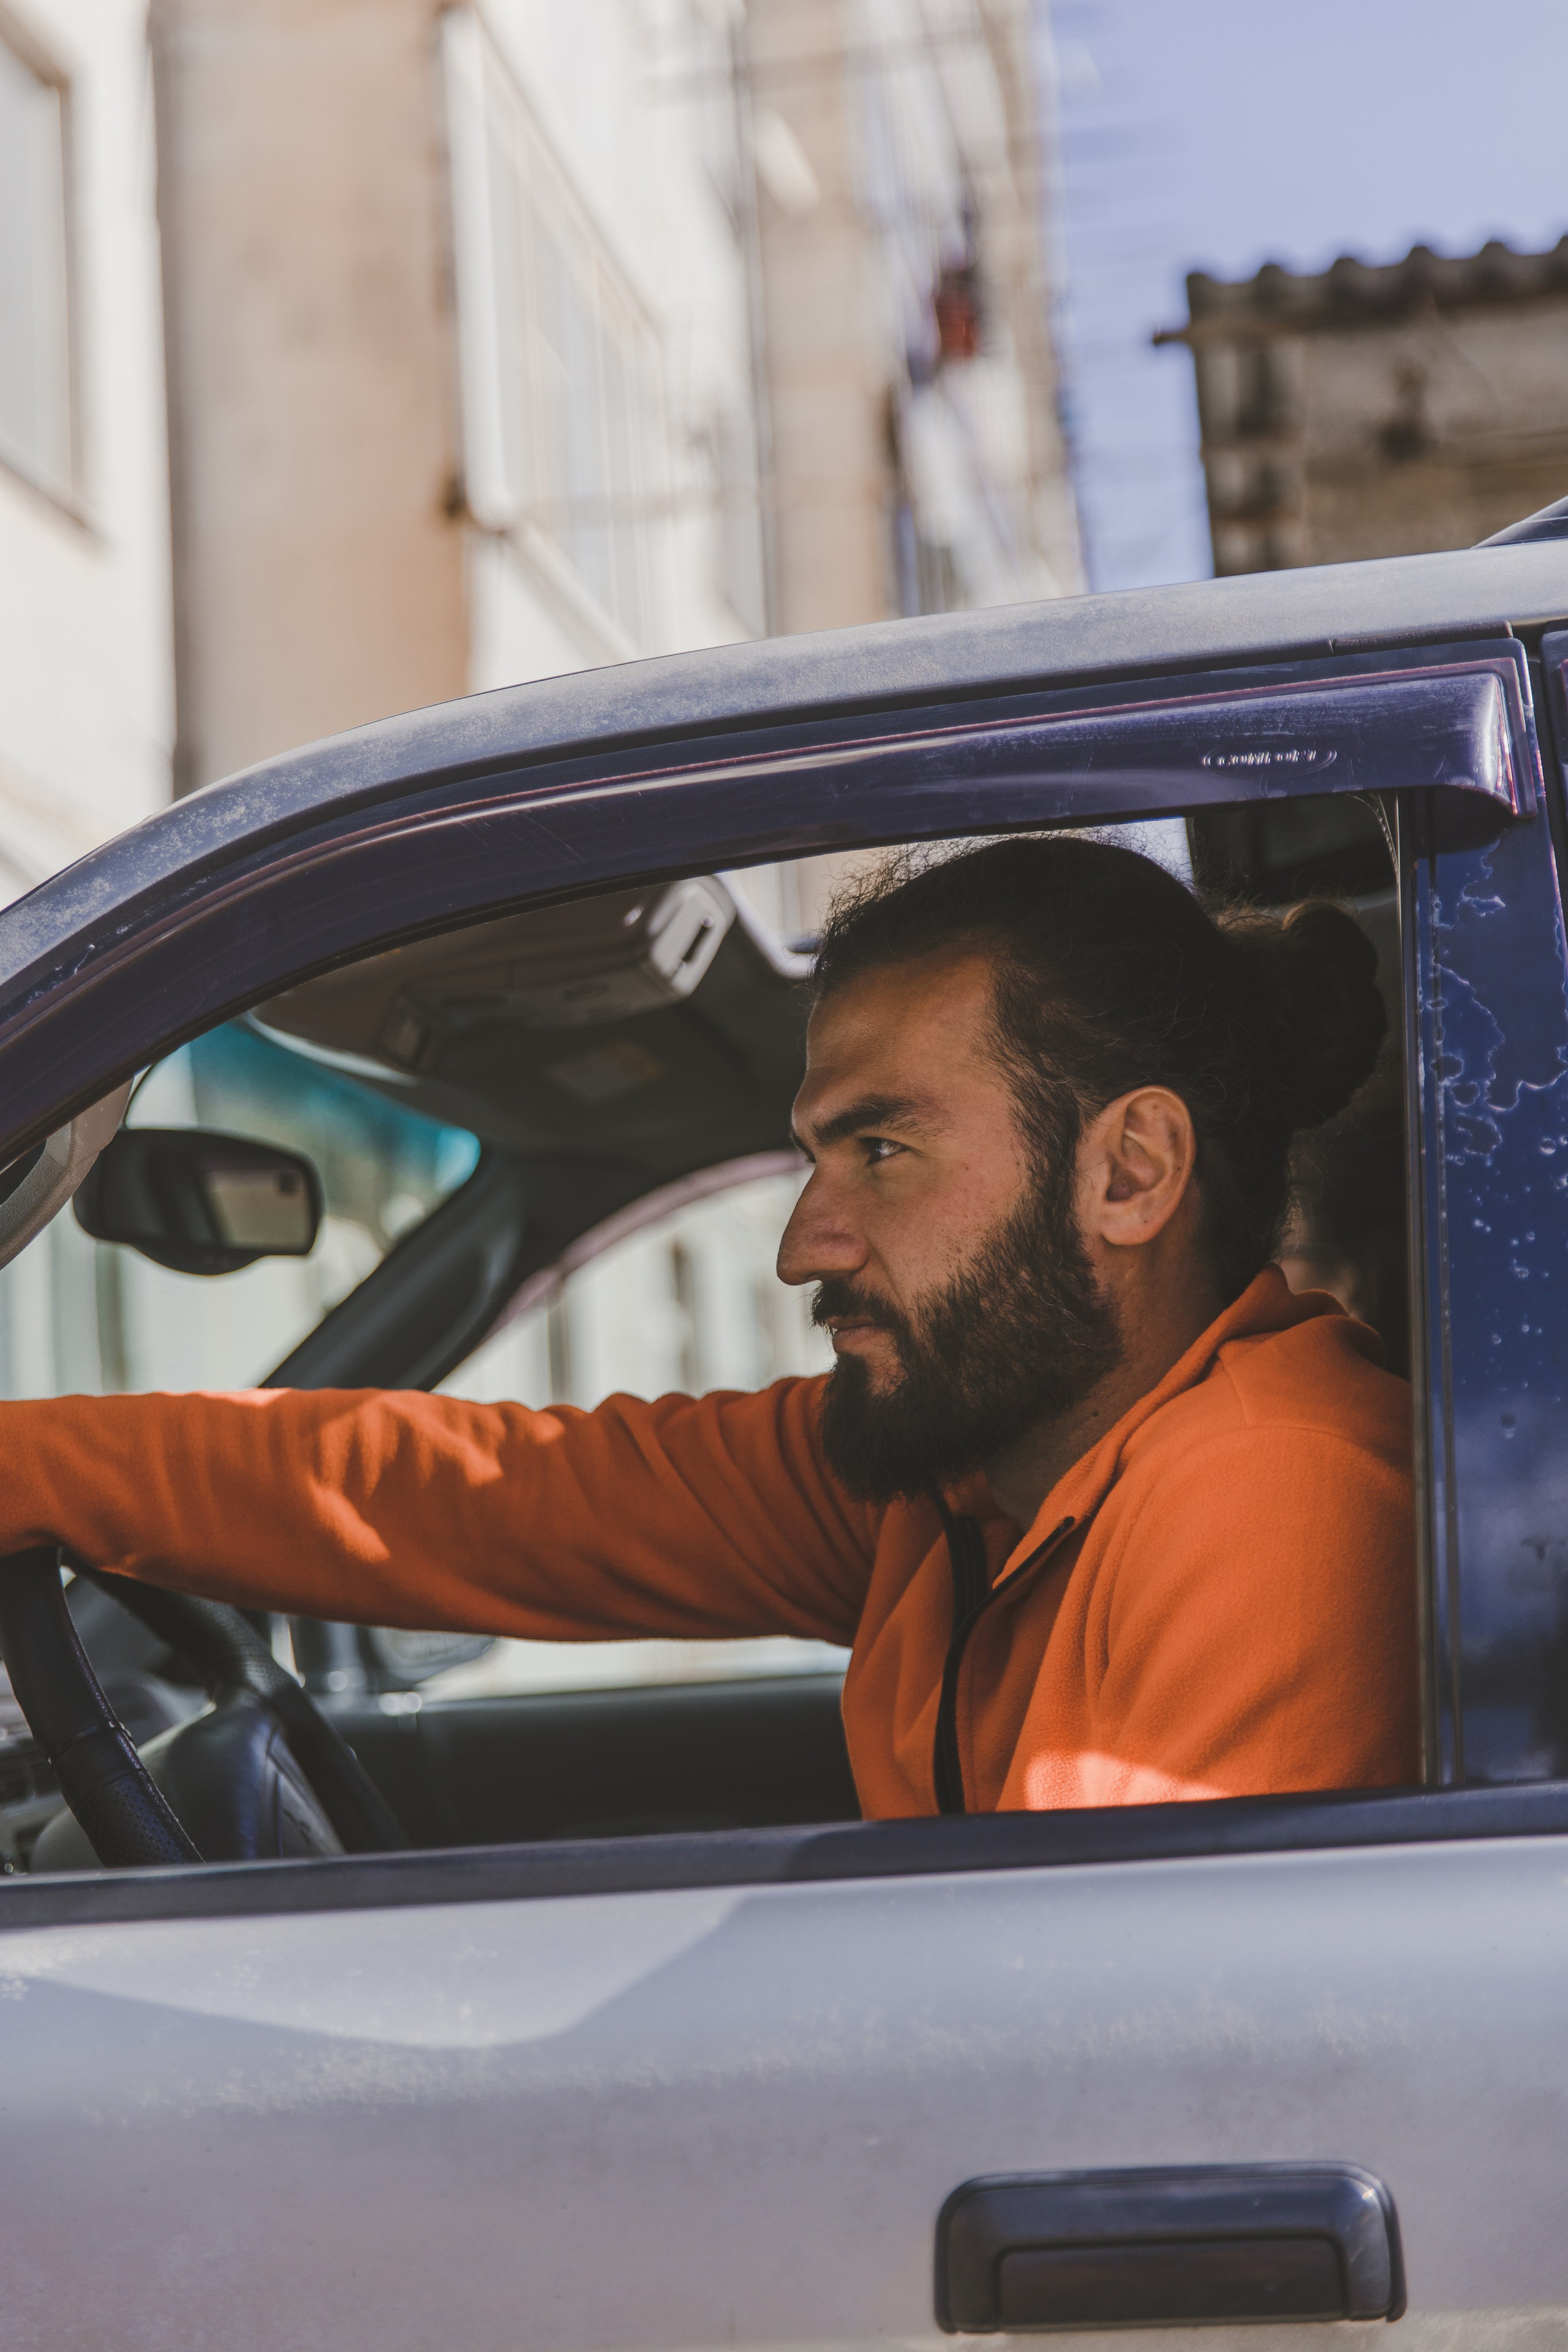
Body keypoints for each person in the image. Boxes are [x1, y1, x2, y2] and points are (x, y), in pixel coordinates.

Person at [0, 837, 1419, 1817]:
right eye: (813, 1159)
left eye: (880, 1153)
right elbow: (466, 1498)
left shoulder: (1271, 1503)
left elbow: (1101, 2081)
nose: (806, 1243)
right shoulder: (966, 1477)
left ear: (1128, 1174)